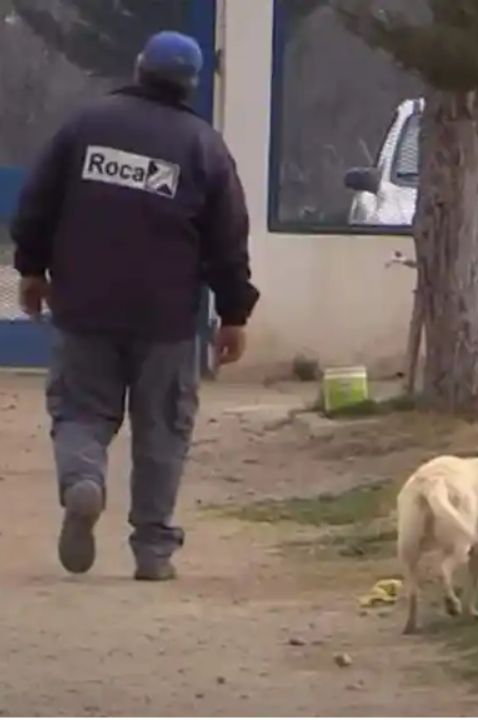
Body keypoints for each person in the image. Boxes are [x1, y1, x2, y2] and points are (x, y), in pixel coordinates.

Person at [9, 31, 259, 581]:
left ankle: (83, 482)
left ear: (140, 67)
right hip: (167, 320)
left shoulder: (85, 125)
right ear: (191, 84)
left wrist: (32, 268)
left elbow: (38, 202)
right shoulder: (204, 146)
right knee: (163, 429)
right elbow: (228, 238)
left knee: (79, 411)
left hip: (85, 306)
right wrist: (235, 313)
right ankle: (152, 550)